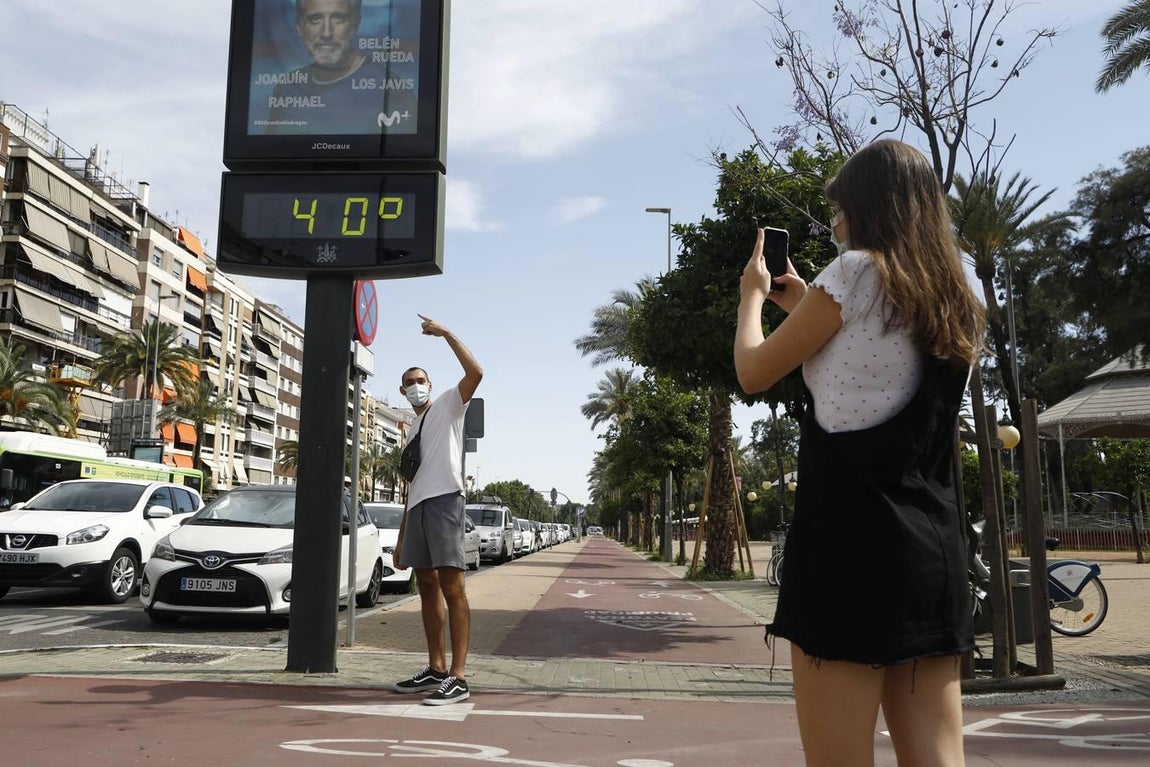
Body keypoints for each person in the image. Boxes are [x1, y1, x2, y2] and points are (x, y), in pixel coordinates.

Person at [734, 139, 985, 766]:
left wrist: (754, 297)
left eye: (841, 209)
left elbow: (754, 371)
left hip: (850, 549)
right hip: (933, 552)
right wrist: (804, 304)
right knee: (936, 756)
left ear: (871, 207)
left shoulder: (852, 273)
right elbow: (875, 354)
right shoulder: (957, 287)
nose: (836, 223)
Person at [392, 314, 483, 706]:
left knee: (452, 588)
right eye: (409, 382)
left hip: (447, 500)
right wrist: (400, 539)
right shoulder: (410, 429)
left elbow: (476, 372)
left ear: (429, 384)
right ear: (401, 390)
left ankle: (459, 677)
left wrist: (445, 333)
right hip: (420, 507)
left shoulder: (448, 403)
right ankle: (436, 668)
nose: (416, 386)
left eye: (420, 380)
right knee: (426, 586)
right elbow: (411, 486)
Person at [263, 0, 417, 135]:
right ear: (300, 28)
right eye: (315, 19)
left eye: (338, 18)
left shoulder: (394, 91)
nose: (326, 33)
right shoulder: (286, 87)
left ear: (356, 24)